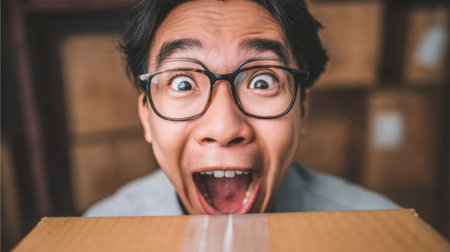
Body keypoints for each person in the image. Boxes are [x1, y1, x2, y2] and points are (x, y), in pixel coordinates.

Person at [85, 0, 398, 216]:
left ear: (302, 110)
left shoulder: (381, 233)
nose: (224, 129)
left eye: (262, 81)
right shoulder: (98, 235)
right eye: (183, 83)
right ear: (146, 118)